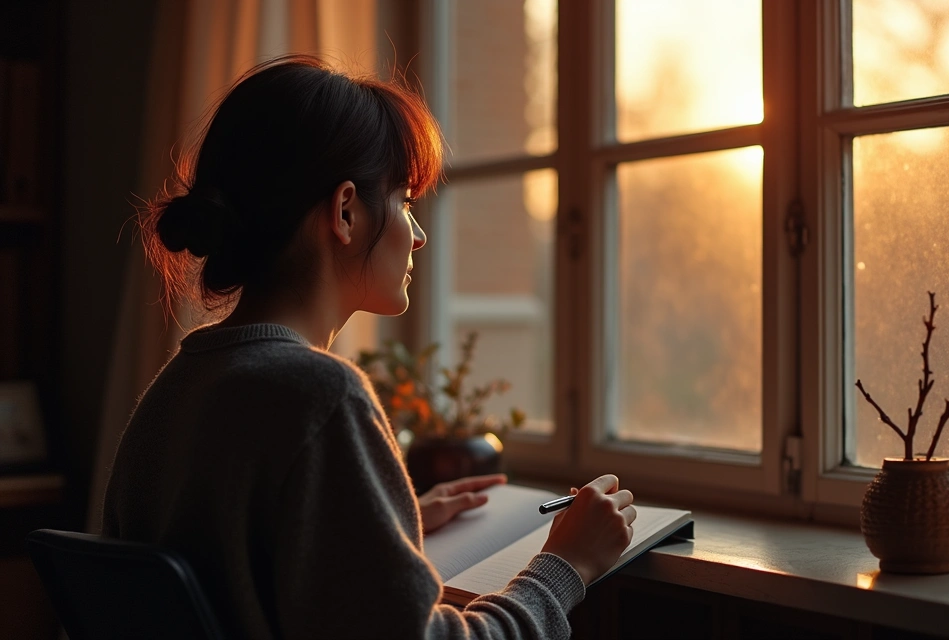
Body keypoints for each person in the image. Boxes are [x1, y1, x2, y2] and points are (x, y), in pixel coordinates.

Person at [101, 54, 636, 639]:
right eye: (405, 200)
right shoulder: (320, 396)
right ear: (346, 211)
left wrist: (382, 529)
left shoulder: (173, 391)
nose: (419, 232)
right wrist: (565, 567)